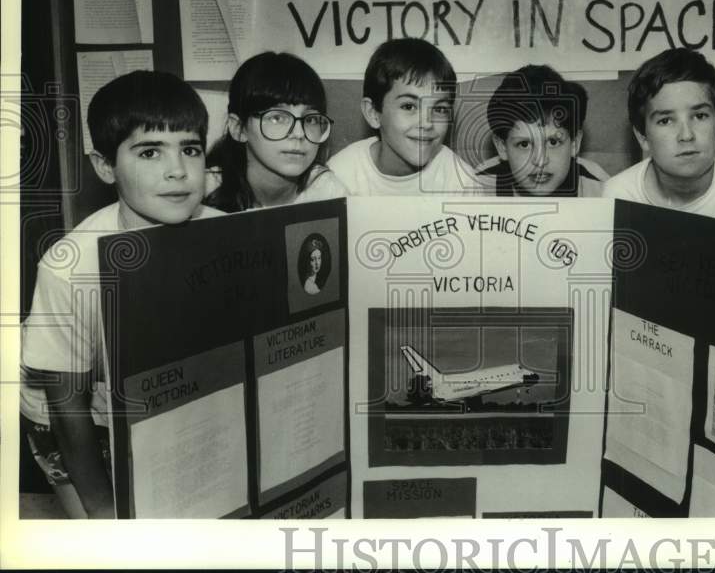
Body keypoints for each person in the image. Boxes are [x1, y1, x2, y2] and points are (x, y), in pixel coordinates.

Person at [20, 70, 223, 518]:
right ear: (104, 166)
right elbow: (65, 405)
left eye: (190, 148)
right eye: (150, 151)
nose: (177, 170)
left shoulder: (223, 230)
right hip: (74, 420)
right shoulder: (68, 266)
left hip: (154, 402)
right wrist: (104, 512)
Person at [602, 48, 715, 224]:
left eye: (700, 116)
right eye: (665, 121)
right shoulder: (619, 196)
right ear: (642, 137)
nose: (686, 135)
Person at [327, 38, 487, 195]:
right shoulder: (339, 177)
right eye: (409, 106)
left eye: (439, 109)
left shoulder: (461, 184)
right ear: (373, 113)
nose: (427, 123)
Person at [204, 52, 347, 211]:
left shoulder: (326, 192)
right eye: (277, 118)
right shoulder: (202, 192)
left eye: (310, 120)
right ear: (238, 128)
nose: (299, 134)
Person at [478, 65, 605, 197]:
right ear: (502, 147)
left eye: (553, 142)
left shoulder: (600, 190)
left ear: (575, 143)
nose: (540, 161)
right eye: (524, 144)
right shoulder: (477, 188)